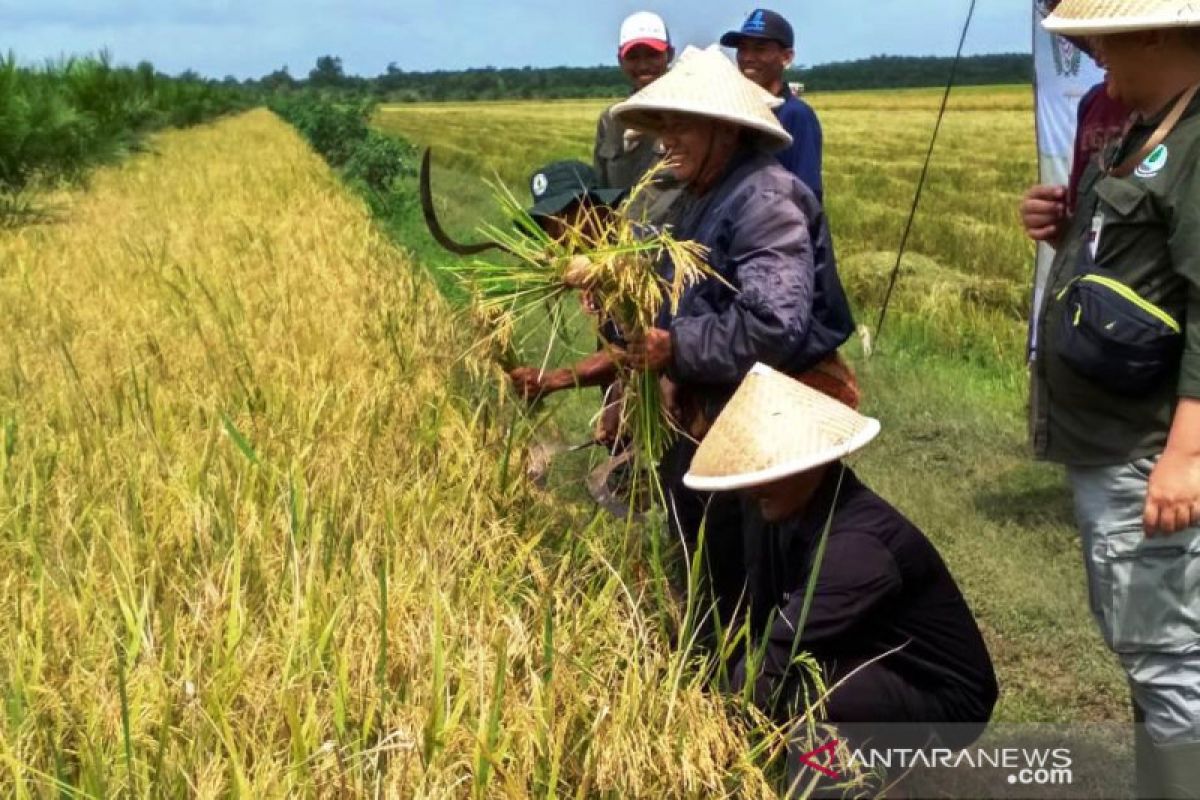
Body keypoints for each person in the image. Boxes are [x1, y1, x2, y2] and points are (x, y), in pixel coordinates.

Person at [612, 45, 856, 641]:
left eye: (681, 125)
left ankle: (748, 712)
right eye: (662, 125)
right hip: (716, 420)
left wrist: (674, 349)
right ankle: (711, 695)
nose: (666, 140)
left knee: (750, 591)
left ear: (723, 129)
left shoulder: (764, 198)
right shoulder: (701, 197)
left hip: (762, 433)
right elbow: (690, 297)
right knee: (710, 578)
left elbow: (774, 324)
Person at [1030, 1, 1200, 795]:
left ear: (1159, 30)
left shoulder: (1194, 141)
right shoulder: (1148, 128)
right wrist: (1065, 229)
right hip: (1117, 444)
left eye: (1104, 33)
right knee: (1148, 649)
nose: (1094, 51)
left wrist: (1185, 455)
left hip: (1147, 450)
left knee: (1170, 662)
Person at [683, 363, 997, 779]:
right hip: (866, 651)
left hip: (944, 702)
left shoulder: (855, 551)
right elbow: (752, 618)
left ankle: (861, 781)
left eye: (768, 472)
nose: (753, 487)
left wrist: (699, 746)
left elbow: (772, 661)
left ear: (812, 464)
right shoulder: (777, 507)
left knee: (809, 703)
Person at [506, 160, 625, 403]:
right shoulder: (598, 272)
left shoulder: (630, 262)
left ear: (594, 207)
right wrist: (615, 403)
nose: (556, 236)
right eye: (549, 226)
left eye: (564, 218)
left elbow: (630, 352)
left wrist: (551, 379)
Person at [1021, 1, 1130, 244]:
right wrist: (1058, 228)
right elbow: (1081, 230)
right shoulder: (1094, 102)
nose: (1098, 56)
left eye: (1103, 36)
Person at [720, 9, 824, 201]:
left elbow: (807, 193)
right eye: (742, 48)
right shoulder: (734, 111)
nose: (748, 57)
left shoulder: (795, 115)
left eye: (760, 49)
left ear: (786, 57)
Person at [593, 11, 681, 224]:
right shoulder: (611, 119)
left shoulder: (690, 113)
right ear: (620, 60)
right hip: (622, 245)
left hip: (677, 244)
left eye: (652, 55)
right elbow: (601, 189)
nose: (643, 65)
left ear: (669, 55)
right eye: (633, 57)